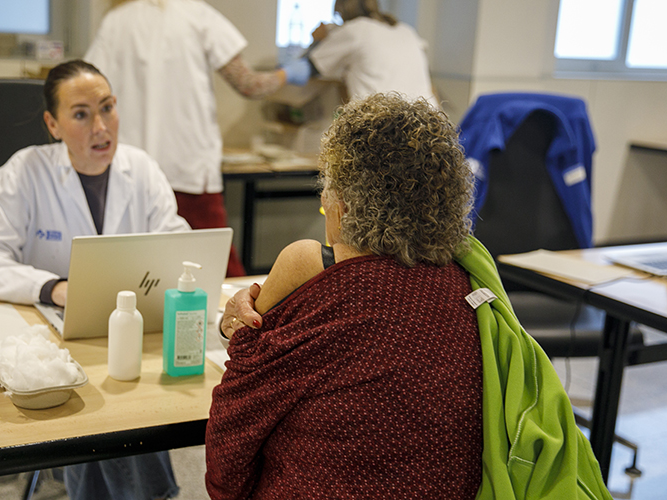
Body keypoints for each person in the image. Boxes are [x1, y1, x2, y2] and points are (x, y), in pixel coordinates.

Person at [207, 93, 612, 499]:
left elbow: (228, 451)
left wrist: (239, 327)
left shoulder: (312, 271)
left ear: (343, 208)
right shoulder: (469, 286)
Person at [0, 59, 188, 500]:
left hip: (130, 332)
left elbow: (176, 245)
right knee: (112, 409)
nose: (100, 126)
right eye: (81, 114)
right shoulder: (23, 174)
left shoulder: (141, 170)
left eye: (108, 107)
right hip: (47, 339)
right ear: (53, 124)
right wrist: (52, 288)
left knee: (136, 397)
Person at [84, 0, 310, 278]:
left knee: (137, 273)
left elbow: (88, 88)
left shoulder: (114, 21)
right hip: (188, 171)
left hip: (132, 173)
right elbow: (249, 85)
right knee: (215, 270)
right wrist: (293, 71)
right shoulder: (196, 14)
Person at [295, 0, 440, 107]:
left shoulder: (355, 29)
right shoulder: (406, 30)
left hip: (386, 125)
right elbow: (430, 85)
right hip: (427, 121)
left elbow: (310, 66)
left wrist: (317, 40)